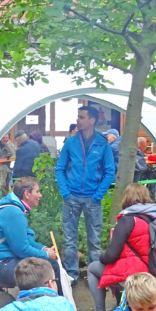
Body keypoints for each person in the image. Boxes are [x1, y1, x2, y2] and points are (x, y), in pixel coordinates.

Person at [86, 184, 156, 311]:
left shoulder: (127, 220)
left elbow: (112, 255)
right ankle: (120, 307)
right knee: (119, 268)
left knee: (93, 268)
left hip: (136, 273)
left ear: (126, 199)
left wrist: (101, 256)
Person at [56, 106, 116, 282]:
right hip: (71, 197)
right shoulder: (70, 142)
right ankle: (71, 277)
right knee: (69, 241)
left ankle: (95, 276)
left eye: (81, 117)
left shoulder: (102, 143)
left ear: (92, 121)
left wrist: (98, 195)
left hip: (93, 198)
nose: (78, 120)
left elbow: (109, 172)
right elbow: (60, 168)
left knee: (95, 241)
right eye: (78, 117)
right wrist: (65, 193)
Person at [0, 177, 62, 294]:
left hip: (2, 263)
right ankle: (57, 306)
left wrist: (44, 249)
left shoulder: (15, 209)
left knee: (45, 265)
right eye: (37, 191)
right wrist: (47, 254)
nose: (40, 195)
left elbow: (25, 241)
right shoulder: (14, 213)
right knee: (49, 266)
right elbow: (22, 250)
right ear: (27, 193)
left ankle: (45, 303)